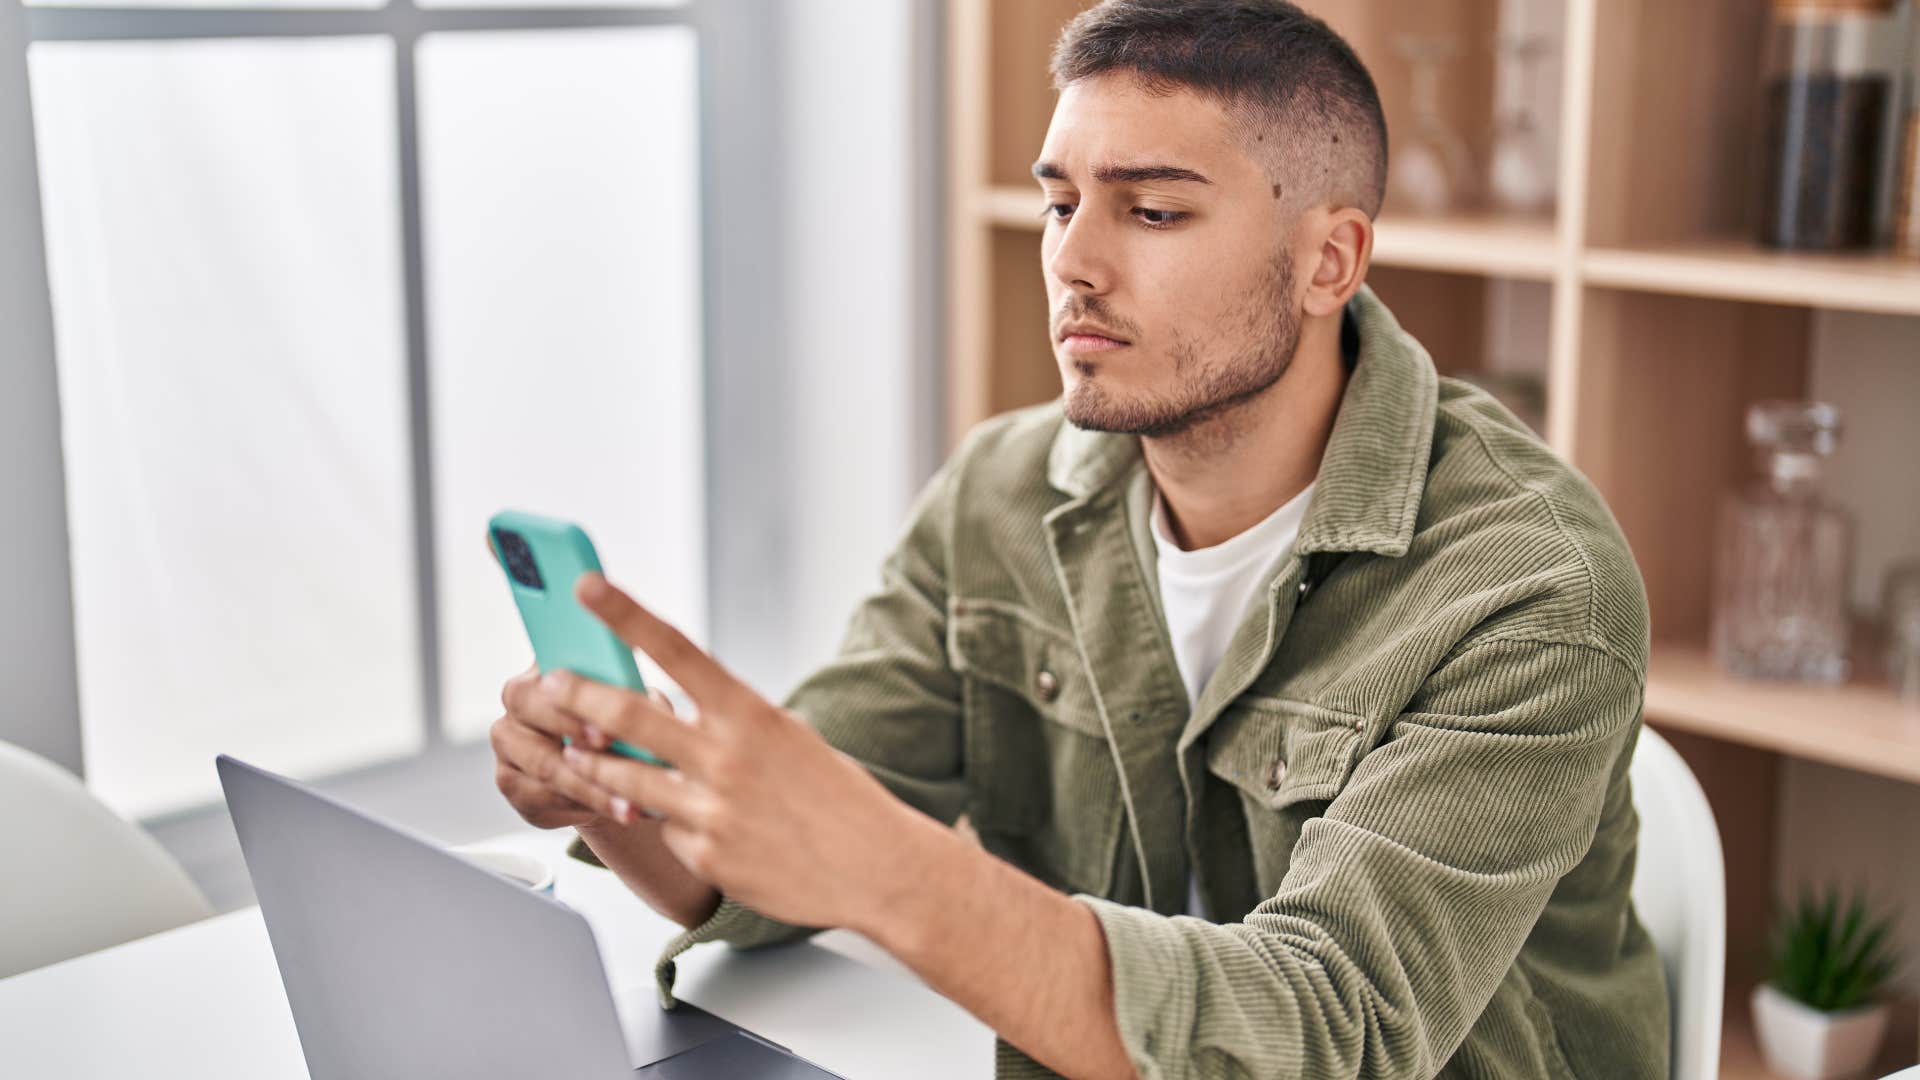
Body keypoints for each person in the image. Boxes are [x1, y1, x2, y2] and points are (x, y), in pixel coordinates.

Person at [486, 1, 1671, 1076]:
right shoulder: (999, 494)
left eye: (1152, 211)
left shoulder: (1531, 585)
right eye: (1061, 203)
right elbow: (795, 850)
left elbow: (1333, 1033)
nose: (1072, 262)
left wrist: (891, 869)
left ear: (1329, 260)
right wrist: (625, 804)